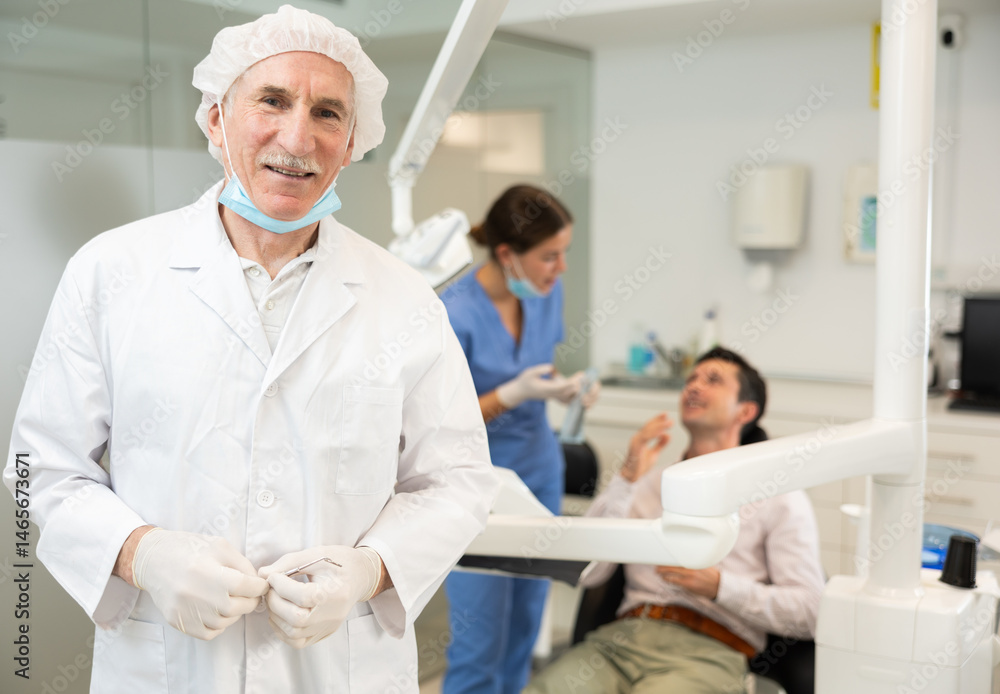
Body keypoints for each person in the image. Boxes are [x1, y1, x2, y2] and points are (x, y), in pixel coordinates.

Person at [2, 6, 498, 693]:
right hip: (169, 665)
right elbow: (39, 467)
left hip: (338, 668)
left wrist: (369, 571)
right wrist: (143, 556)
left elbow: (457, 480)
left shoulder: (405, 299)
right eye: (272, 100)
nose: (297, 137)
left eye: (327, 113)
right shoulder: (110, 272)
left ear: (352, 142)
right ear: (216, 119)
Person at [525, 347, 825, 694]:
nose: (694, 386)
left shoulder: (779, 496)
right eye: (691, 379)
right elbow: (587, 571)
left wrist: (720, 587)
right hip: (618, 643)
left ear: (746, 411)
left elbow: (811, 612)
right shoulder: (648, 484)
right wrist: (626, 477)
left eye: (713, 380)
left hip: (709, 652)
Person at [439, 185, 600, 694]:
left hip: (538, 469)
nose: (561, 268)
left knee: (524, 629)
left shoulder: (547, 293)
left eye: (564, 253)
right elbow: (439, 421)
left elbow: (540, 367)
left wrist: (566, 390)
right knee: (480, 637)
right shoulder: (453, 312)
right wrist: (511, 394)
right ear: (508, 254)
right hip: (477, 483)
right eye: (550, 256)